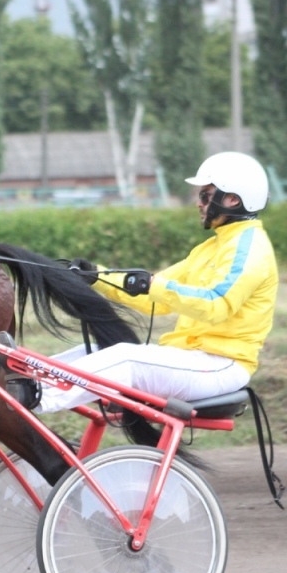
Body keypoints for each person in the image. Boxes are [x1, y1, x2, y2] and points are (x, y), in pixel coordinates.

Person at [35, 151, 279, 413]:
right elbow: (156, 294)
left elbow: (216, 304)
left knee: (126, 358)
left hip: (222, 365)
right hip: (193, 359)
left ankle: (38, 397)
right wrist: (97, 277)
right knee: (96, 350)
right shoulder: (212, 248)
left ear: (232, 199)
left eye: (205, 195)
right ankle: (27, 378)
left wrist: (153, 286)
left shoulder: (250, 249)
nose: (199, 203)